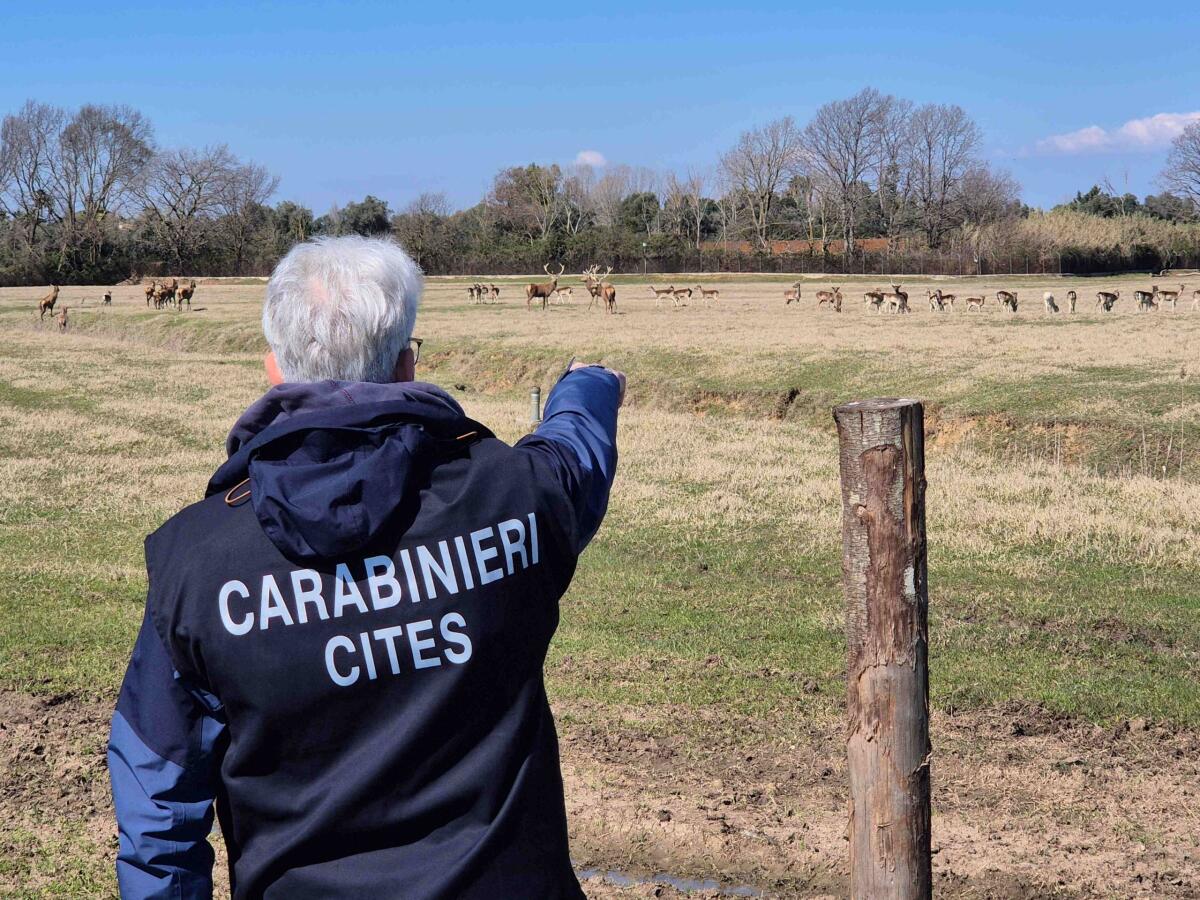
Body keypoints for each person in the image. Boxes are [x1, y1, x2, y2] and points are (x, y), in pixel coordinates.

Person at [107, 235, 624, 899]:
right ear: (408, 366)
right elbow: (573, 458)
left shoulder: (196, 565)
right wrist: (589, 385)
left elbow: (158, 812)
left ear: (275, 370)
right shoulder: (512, 497)